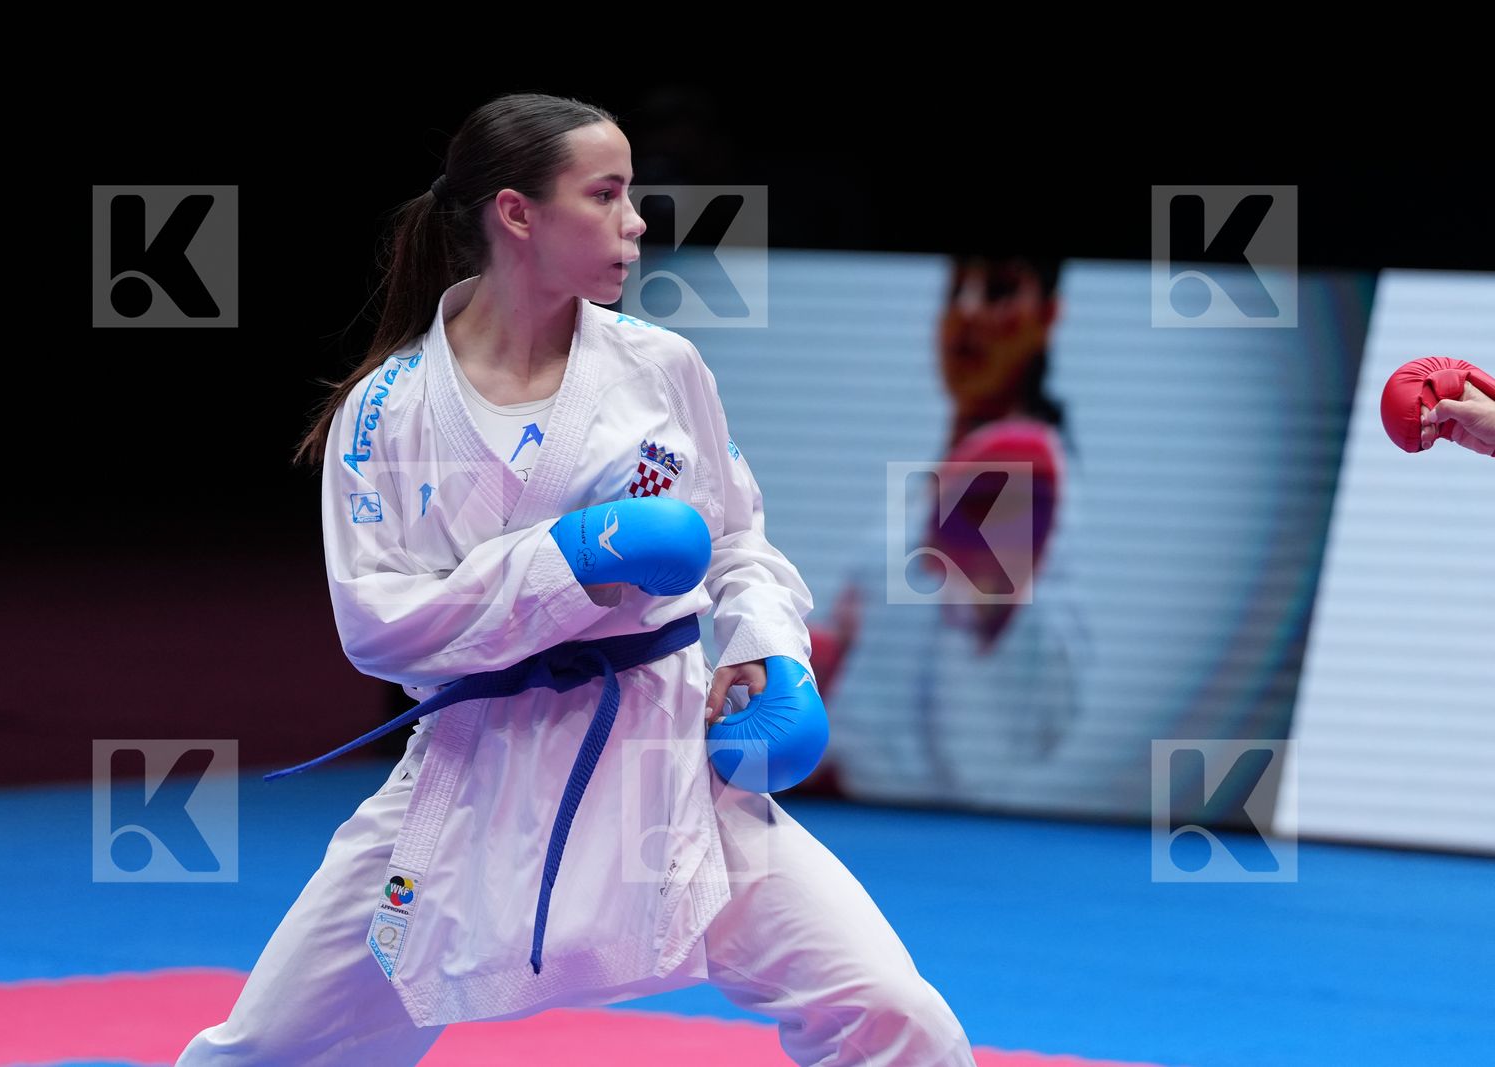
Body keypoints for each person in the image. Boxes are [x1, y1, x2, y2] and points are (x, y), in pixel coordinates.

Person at [175, 92, 975, 1066]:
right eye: (605, 194)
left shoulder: (660, 366)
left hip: (667, 767)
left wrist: (768, 642)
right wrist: (569, 559)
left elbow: (737, 538)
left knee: (895, 1013)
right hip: (477, 779)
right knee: (262, 1052)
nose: (636, 221)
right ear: (517, 214)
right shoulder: (388, 410)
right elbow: (378, 625)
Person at [800, 255, 1089, 805]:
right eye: (956, 292)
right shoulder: (922, 493)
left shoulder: (1024, 473)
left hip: (922, 815)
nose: (969, 313)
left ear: (1047, 317)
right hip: (838, 797)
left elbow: (1026, 710)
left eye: (1000, 290)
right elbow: (867, 640)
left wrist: (990, 614)